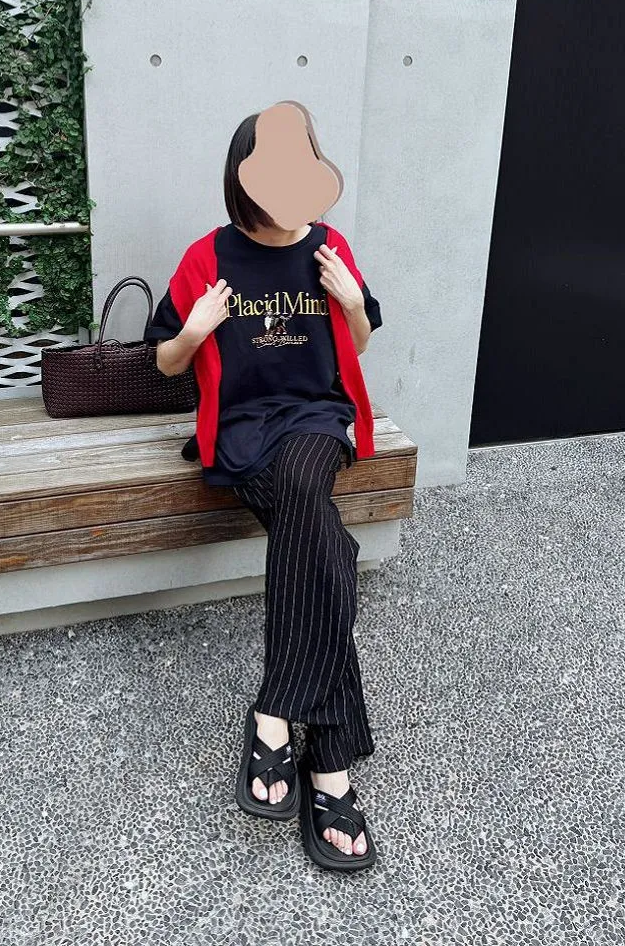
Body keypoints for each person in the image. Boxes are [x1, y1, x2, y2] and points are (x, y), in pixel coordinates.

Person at [144, 109, 383, 872]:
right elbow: (165, 363)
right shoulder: (207, 256)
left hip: (316, 416)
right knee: (327, 547)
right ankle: (330, 761)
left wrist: (351, 302)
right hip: (243, 427)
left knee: (308, 488)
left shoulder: (329, 247)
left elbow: (360, 343)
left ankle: (277, 708)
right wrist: (194, 329)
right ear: (243, 183)